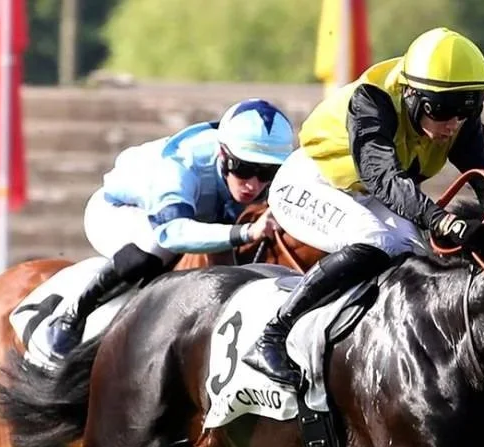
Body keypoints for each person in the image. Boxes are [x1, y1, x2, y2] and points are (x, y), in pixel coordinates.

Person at [243, 27, 484, 387]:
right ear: (412, 95)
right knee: (376, 241)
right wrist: (443, 221)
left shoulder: (455, 118)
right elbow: (385, 179)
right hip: (311, 182)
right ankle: (272, 335)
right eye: (443, 112)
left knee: (416, 257)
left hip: (368, 194)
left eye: (465, 112)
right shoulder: (372, 101)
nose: (453, 125)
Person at [47, 98, 297, 358]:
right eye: (243, 168)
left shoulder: (261, 178)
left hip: (197, 218)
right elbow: (171, 233)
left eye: (267, 172)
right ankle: (74, 313)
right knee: (156, 244)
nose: (253, 185)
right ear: (223, 154)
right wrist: (247, 232)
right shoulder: (180, 165)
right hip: (120, 212)